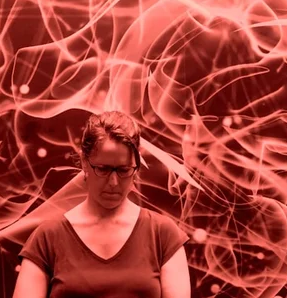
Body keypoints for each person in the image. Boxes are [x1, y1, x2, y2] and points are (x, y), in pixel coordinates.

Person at [13, 111, 191, 297]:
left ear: (137, 165)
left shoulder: (162, 235)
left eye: (123, 170)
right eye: (103, 169)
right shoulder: (47, 238)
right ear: (84, 163)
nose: (113, 182)